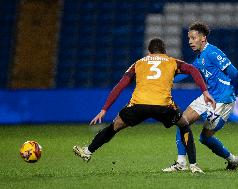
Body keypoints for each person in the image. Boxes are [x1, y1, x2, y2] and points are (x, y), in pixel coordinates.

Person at [73, 38, 216, 171]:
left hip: (138, 105)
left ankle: (88, 151)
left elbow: (120, 86)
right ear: (164, 51)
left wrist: (104, 109)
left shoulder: (139, 63)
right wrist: (205, 92)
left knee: (115, 126)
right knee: (184, 125)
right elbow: (193, 70)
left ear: (149, 51)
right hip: (163, 106)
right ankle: (193, 165)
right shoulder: (172, 61)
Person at [162, 22, 238, 173]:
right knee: (182, 122)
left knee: (205, 138)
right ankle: (181, 163)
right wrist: (168, 81)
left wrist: (235, 90)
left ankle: (232, 159)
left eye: (193, 38)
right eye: (189, 38)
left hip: (222, 101)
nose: (190, 41)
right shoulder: (200, 57)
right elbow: (188, 73)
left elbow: (234, 72)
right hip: (208, 96)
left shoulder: (213, 52)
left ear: (203, 38)